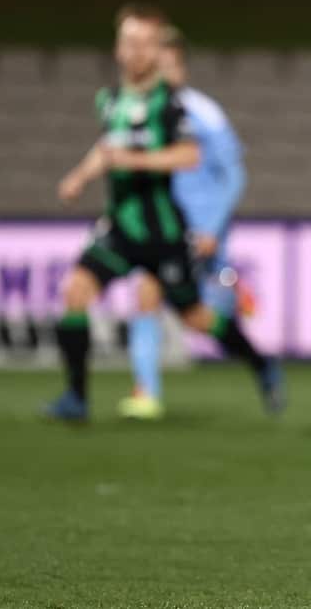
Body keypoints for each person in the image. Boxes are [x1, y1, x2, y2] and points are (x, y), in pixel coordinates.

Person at [45, 4, 280, 422]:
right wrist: (79, 177)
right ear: (118, 49)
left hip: (163, 234)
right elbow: (108, 148)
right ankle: (78, 398)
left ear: (157, 52)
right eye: (128, 43)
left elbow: (189, 155)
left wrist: (135, 161)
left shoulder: (173, 105)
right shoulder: (110, 99)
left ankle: (261, 364)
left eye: (144, 44)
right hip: (120, 227)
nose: (135, 52)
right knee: (75, 292)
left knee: (196, 317)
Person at [117, 25, 271, 419]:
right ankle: (148, 392)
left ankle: (255, 362)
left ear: (180, 69)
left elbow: (234, 175)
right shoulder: (143, 112)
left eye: (166, 65)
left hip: (198, 230)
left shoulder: (202, 112)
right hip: (160, 228)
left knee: (180, 309)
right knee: (161, 302)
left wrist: (212, 228)